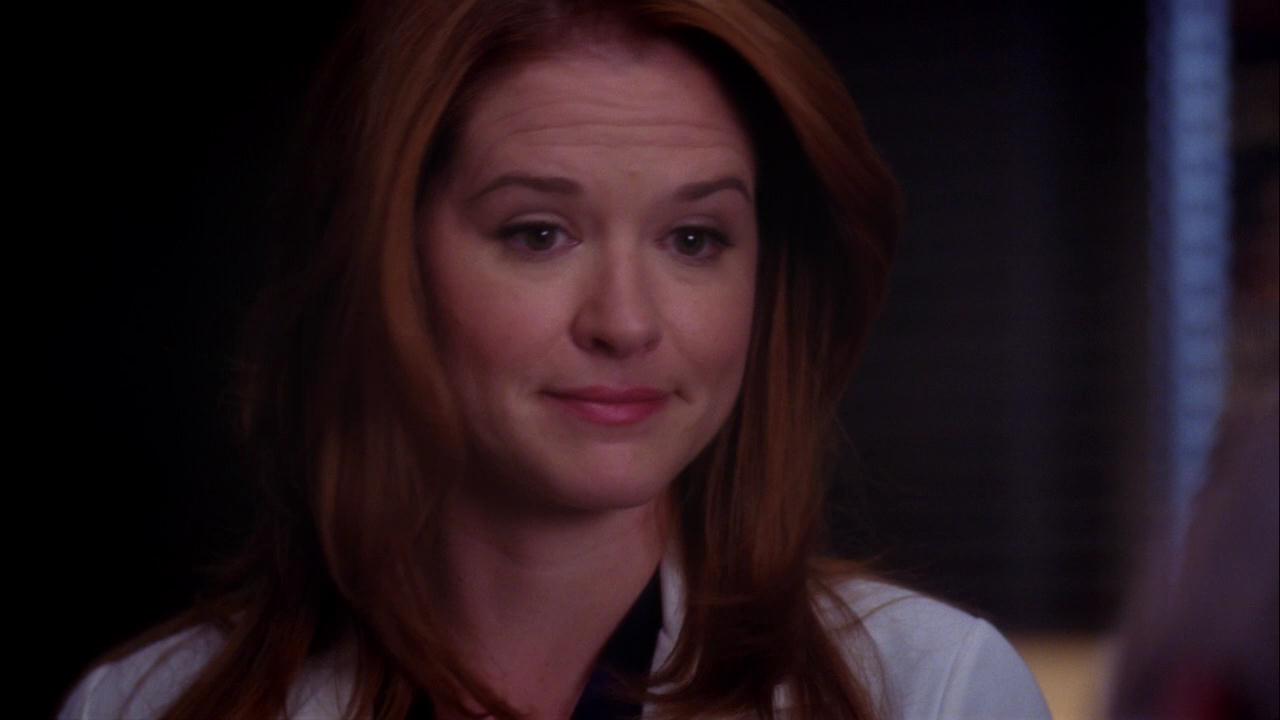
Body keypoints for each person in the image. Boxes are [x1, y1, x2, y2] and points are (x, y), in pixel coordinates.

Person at [58, 1, 1050, 718]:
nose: (625, 323)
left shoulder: (931, 690)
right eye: (538, 233)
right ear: (380, 262)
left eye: (693, 240)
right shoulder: (142, 705)